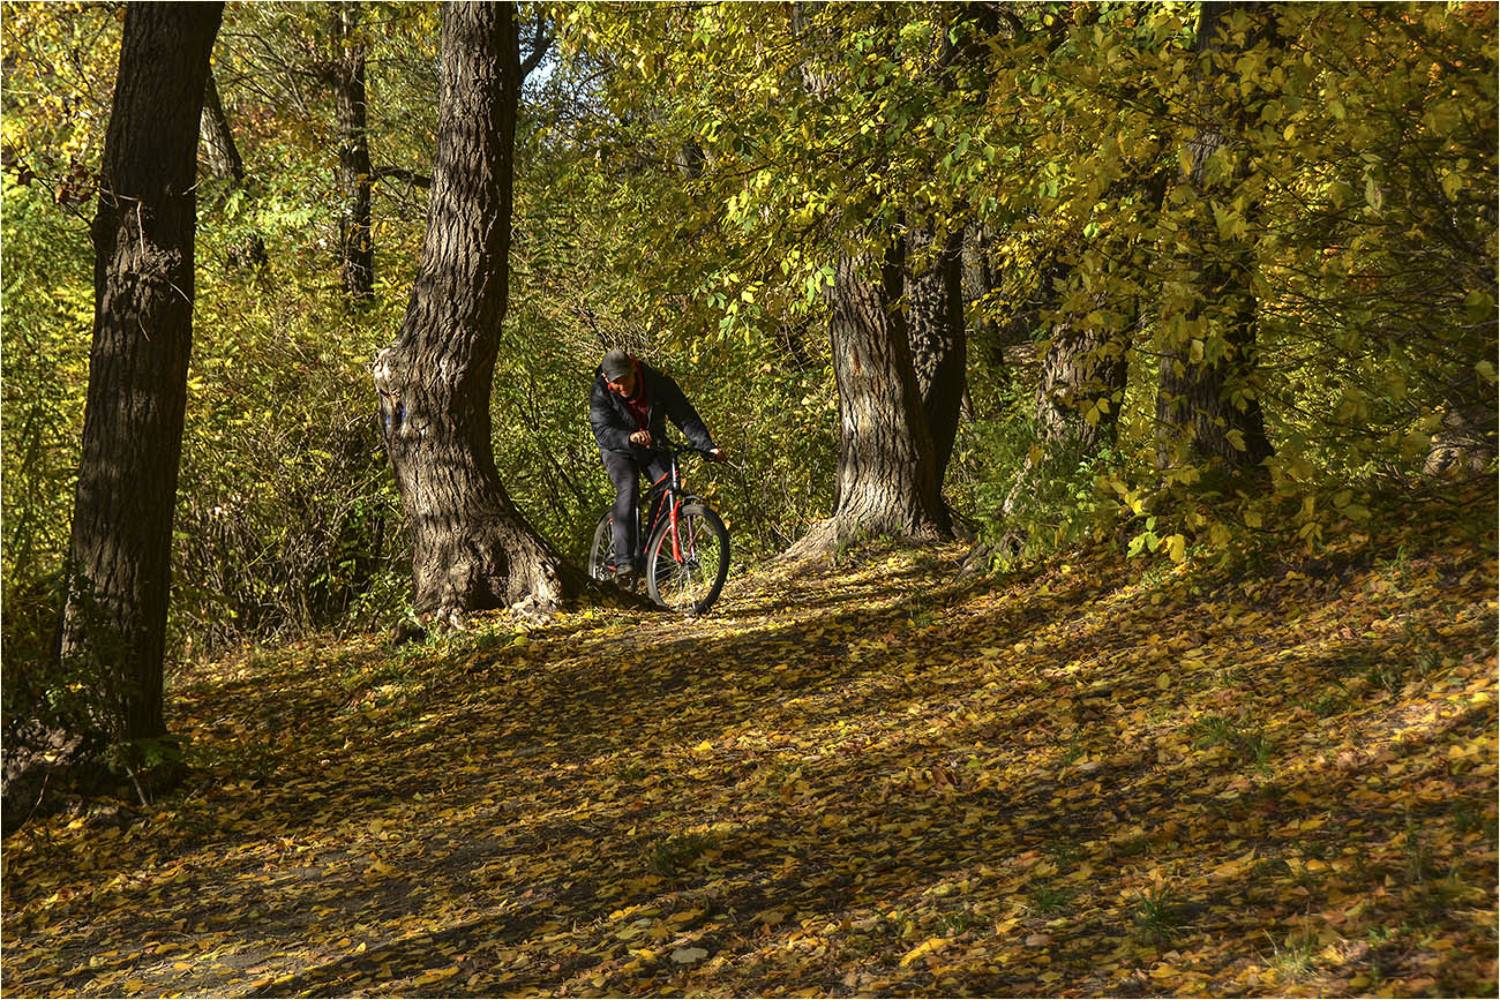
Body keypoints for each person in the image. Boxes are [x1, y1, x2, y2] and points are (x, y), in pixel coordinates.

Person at [590, 349, 724, 577]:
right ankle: (623, 560)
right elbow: (602, 431)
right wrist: (629, 438)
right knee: (628, 485)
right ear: (606, 379)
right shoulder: (600, 391)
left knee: (668, 484)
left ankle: (651, 553)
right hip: (617, 448)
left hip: (651, 444)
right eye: (616, 383)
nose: (622, 386)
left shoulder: (657, 381)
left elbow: (684, 415)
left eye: (625, 379)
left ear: (634, 367)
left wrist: (707, 446)